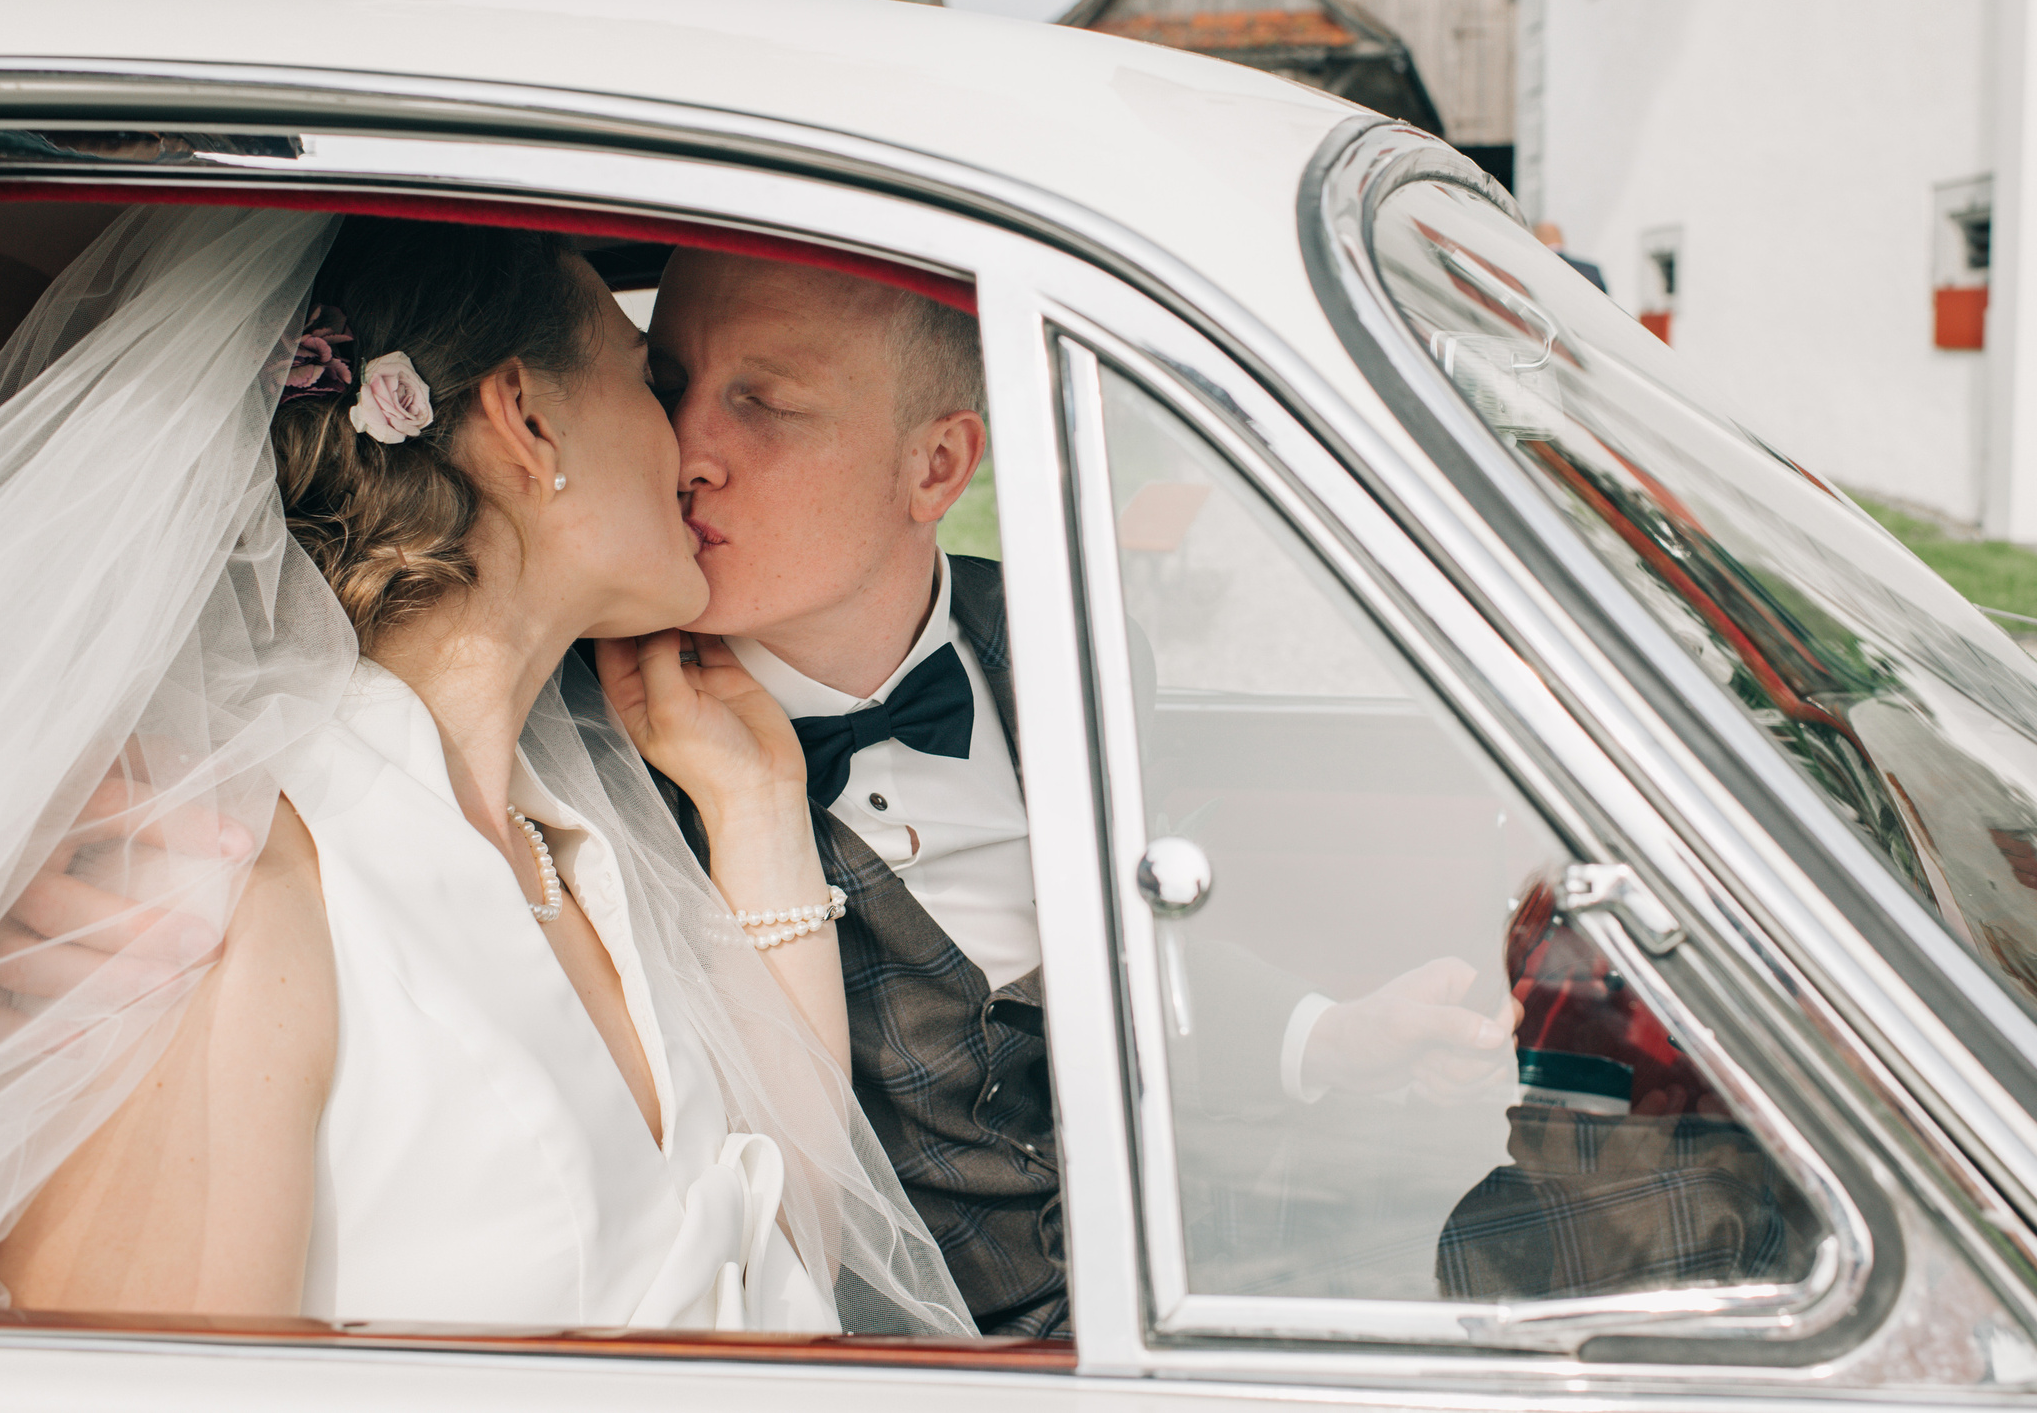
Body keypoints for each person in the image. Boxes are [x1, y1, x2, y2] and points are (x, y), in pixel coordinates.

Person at [0, 209, 967, 1334]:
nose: (691, 449)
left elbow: (781, 1260)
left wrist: (758, 806)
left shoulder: (578, 844)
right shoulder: (227, 899)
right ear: (528, 422)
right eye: (650, 379)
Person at [649, 250, 1515, 1335]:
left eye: (761, 403)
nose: (686, 452)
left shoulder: (1076, 647)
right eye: (663, 384)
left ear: (935, 468)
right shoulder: (598, 734)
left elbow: (1100, 957)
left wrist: (1329, 1031)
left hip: (1150, 1286)